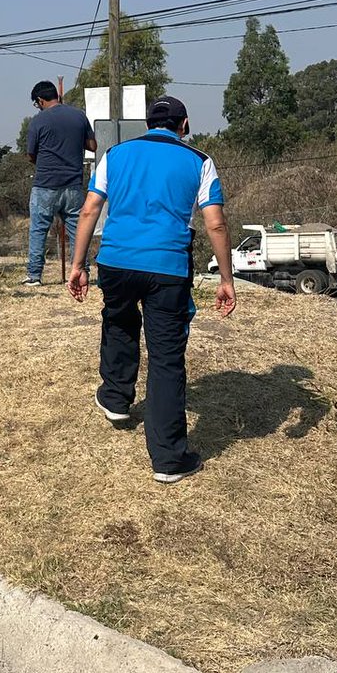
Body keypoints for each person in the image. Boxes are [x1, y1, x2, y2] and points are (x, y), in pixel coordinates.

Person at [67, 96, 236, 484]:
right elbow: (216, 225)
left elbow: (91, 209)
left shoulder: (116, 154)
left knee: (119, 322)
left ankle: (115, 399)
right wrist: (225, 279)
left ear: (148, 123)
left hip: (116, 261)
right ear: (185, 123)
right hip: (167, 268)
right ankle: (168, 458)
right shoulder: (199, 161)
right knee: (165, 357)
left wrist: (78, 265)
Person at [23, 80, 96, 286]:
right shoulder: (79, 115)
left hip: (45, 184)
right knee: (77, 230)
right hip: (73, 184)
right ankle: (82, 271)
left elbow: (31, 154)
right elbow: (92, 145)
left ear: (40, 100)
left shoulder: (38, 121)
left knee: (39, 230)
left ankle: (34, 275)